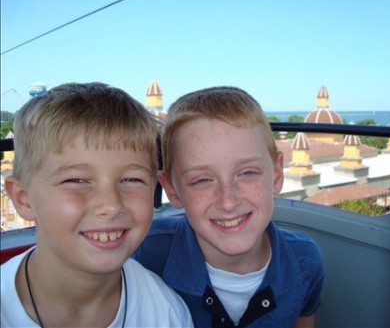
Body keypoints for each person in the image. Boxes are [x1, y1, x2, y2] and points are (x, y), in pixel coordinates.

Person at [1, 82, 193, 327]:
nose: (111, 205)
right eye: (76, 180)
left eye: (131, 179)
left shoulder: (167, 313)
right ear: (22, 198)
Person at [133, 86, 325, 328]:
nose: (228, 201)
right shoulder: (143, 254)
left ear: (276, 175)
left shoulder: (306, 260)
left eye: (247, 173)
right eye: (202, 180)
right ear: (172, 191)